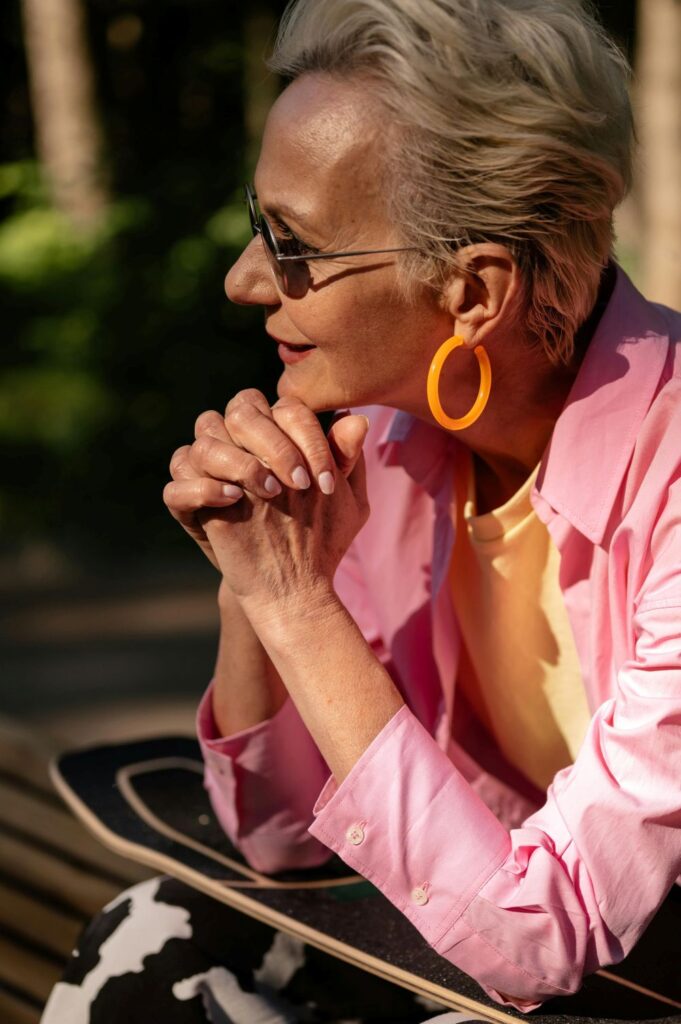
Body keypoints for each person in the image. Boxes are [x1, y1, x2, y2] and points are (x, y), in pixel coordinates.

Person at [41, 0, 681, 1021]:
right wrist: (258, 577)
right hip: (505, 946)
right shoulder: (386, 440)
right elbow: (284, 836)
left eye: (291, 244)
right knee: (148, 938)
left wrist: (299, 606)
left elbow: (538, 936)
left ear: (472, 292)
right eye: (258, 224)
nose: (244, 279)